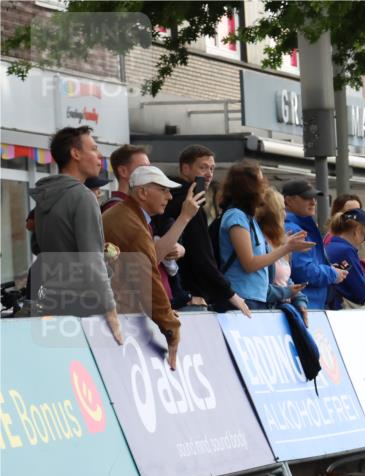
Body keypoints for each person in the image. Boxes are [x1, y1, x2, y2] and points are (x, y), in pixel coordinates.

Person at [102, 166, 205, 369]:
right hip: (116, 316)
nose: (169, 196)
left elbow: (148, 266)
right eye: (163, 190)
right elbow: (148, 277)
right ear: (142, 192)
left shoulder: (127, 215)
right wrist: (170, 326)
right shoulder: (132, 224)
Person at [30, 126, 122, 342]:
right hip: (84, 306)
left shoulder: (46, 195)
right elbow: (92, 261)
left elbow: (39, 248)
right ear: (75, 154)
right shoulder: (82, 196)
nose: (100, 156)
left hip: (51, 300)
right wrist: (111, 311)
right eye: (94, 149)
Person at [156, 144, 250, 316]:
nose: (209, 174)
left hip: (172, 295)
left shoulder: (173, 202)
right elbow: (202, 257)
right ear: (185, 168)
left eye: (212, 169)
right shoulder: (189, 205)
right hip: (188, 299)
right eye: (203, 167)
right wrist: (231, 294)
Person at [219, 162, 314, 309]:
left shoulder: (248, 218)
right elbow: (249, 264)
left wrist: (285, 245)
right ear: (248, 186)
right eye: (260, 181)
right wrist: (287, 248)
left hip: (255, 297)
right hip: (244, 297)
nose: (264, 186)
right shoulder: (236, 216)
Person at [281, 179, 348, 309]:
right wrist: (333, 273)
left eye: (314, 198)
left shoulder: (298, 226)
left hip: (307, 304)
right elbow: (303, 271)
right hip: (305, 305)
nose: (313, 202)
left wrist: (329, 269)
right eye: (306, 198)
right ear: (288, 200)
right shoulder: (294, 229)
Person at [257, 188, 309, 321]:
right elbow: (258, 287)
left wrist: (300, 300)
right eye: (281, 210)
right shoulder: (260, 244)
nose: (285, 215)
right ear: (272, 214)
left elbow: (285, 280)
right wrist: (288, 292)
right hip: (267, 313)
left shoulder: (278, 242)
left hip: (282, 312)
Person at [324, 208, 365, 309]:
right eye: (364, 236)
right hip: (340, 311)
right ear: (357, 231)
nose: (362, 241)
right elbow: (362, 293)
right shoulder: (346, 251)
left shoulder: (329, 246)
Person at [102, 144, 150, 213]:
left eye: (149, 168)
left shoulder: (134, 206)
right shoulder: (115, 207)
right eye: (142, 168)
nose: (149, 173)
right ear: (123, 171)